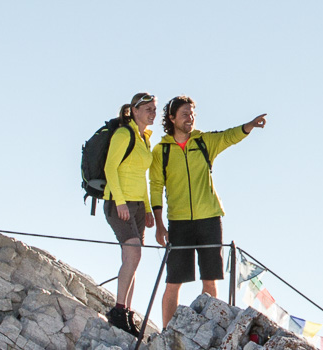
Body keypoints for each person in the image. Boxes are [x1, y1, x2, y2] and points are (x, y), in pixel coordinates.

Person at [151, 95, 268, 325]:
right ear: (172, 118)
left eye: (192, 113)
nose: (190, 118)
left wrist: (249, 126)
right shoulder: (161, 151)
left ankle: (211, 329)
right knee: (173, 283)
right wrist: (159, 225)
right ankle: (166, 332)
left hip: (210, 220)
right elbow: (155, 187)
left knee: (210, 280)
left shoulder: (204, 141)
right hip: (178, 222)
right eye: (185, 114)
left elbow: (228, 137)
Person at [101, 92, 162, 336]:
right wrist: (120, 201)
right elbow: (109, 168)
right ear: (134, 111)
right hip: (119, 203)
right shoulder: (123, 134)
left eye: (154, 109)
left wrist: (147, 208)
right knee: (133, 252)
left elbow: (142, 177)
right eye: (147, 108)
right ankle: (117, 311)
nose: (152, 113)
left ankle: (125, 312)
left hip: (137, 205)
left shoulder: (144, 138)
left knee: (133, 259)